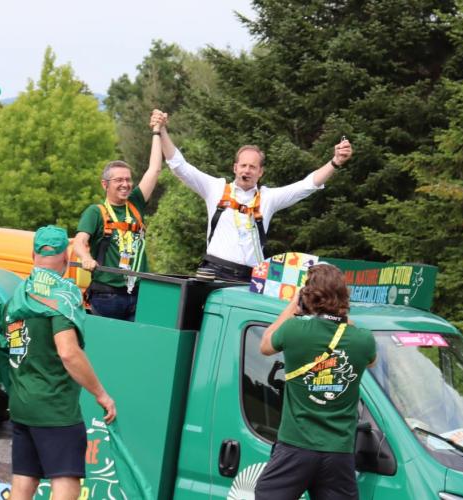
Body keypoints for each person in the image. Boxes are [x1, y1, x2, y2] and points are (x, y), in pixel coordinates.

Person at [151, 109, 352, 281]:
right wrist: (162, 131)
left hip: (252, 278)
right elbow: (180, 166)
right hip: (215, 272)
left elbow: (307, 185)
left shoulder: (268, 199)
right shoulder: (216, 188)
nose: (247, 171)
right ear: (235, 168)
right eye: (243, 166)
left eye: (252, 167)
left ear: (260, 172)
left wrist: (335, 162)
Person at [6, 226, 117, 500]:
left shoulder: (20, 294)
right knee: (65, 482)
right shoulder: (61, 298)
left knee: (23, 485)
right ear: (67, 259)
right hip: (55, 408)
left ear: (33, 254)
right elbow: (68, 352)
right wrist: (101, 394)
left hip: (22, 405)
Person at [257, 263, 376, 499]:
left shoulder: (294, 331)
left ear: (308, 297)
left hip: (295, 446)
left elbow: (265, 344)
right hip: (339, 453)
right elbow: (370, 362)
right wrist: (341, 315)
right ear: (344, 297)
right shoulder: (363, 340)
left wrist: (295, 304)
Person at [72, 128, 165, 320]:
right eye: (119, 180)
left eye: (128, 179)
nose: (126, 184)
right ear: (105, 185)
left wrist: (158, 132)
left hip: (139, 293)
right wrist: (86, 258)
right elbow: (80, 241)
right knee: (109, 345)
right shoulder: (95, 212)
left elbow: (154, 169)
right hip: (107, 295)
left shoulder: (136, 203)